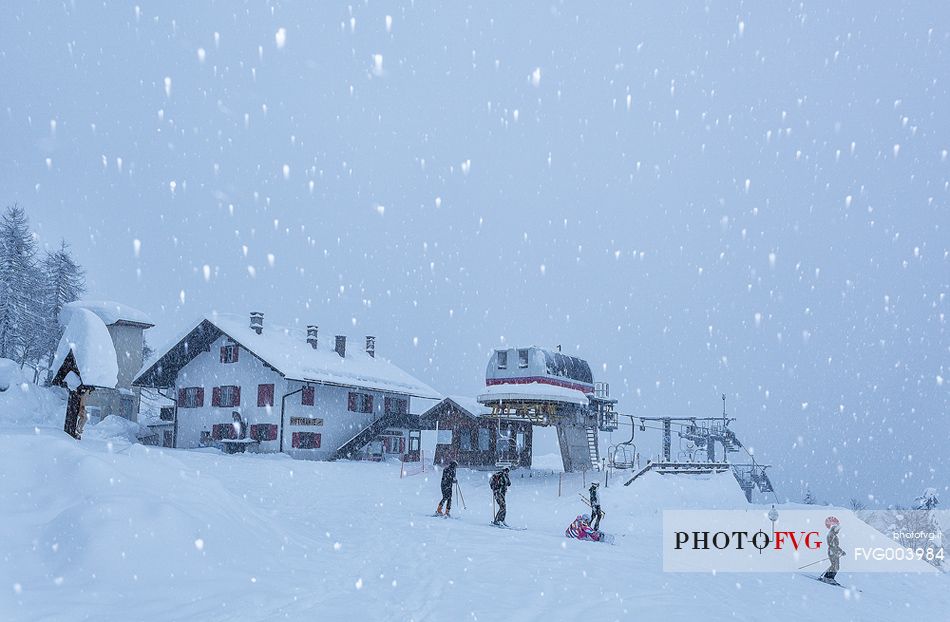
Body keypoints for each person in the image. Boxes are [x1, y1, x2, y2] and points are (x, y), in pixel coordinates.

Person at [821, 517, 845, 584]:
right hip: (832, 551)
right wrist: (838, 551)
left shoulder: (834, 535)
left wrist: (841, 551)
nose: (838, 531)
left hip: (835, 552)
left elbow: (836, 546)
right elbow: (832, 544)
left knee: (836, 566)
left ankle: (831, 578)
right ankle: (827, 577)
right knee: (834, 565)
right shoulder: (831, 534)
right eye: (838, 530)